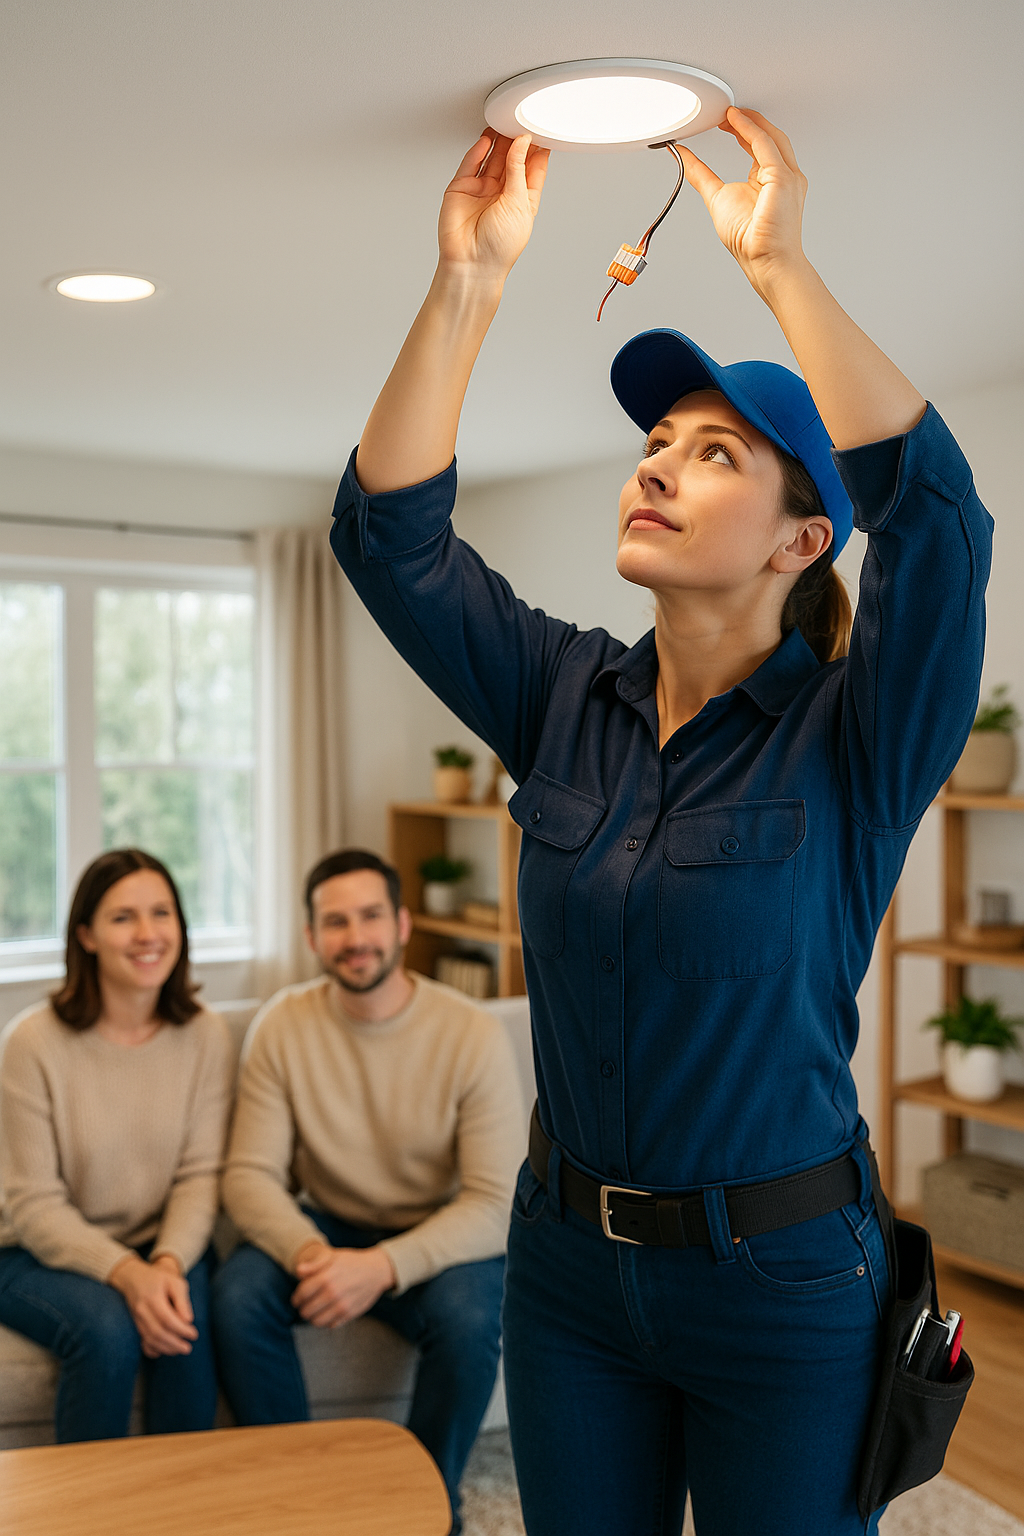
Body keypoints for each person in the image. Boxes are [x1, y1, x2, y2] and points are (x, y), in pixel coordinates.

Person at [327, 111, 992, 1536]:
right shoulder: (562, 692)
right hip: (566, 1269)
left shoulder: (861, 735)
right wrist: (469, 281)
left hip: (788, 1283)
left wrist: (783, 268)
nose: (655, 465)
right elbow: (390, 541)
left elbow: (938, 523)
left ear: (803, 537)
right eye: (656, 442)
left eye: (712, 454)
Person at [212, 848, 523, 1534]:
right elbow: (248, 1175)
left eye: (371, 916)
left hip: (434, 1238)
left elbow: (495, 1202)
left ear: (404, 924)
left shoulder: (471, 1033)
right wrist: (310, 1255)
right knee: (235, 1296)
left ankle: (426, 1503)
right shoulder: (282, 1026)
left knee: (475, 1319)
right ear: (311, 938)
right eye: (336, 922)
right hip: (322, 1229)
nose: (356, 938)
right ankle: (299, 1497)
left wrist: (381, 1267)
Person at [0, 848, 232, 1441]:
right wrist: (128, 1274)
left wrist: (166, 1265)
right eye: (123, 917)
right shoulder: (31, 1044)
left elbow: (199, 1176)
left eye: (161, 913)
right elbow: (32, 1206)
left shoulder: (205, 1035)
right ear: (87, 935)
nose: (148, 933)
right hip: (27, 1250)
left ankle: (178, 1513)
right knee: (106, 1329)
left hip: (160, 1246)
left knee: (185, 1326)